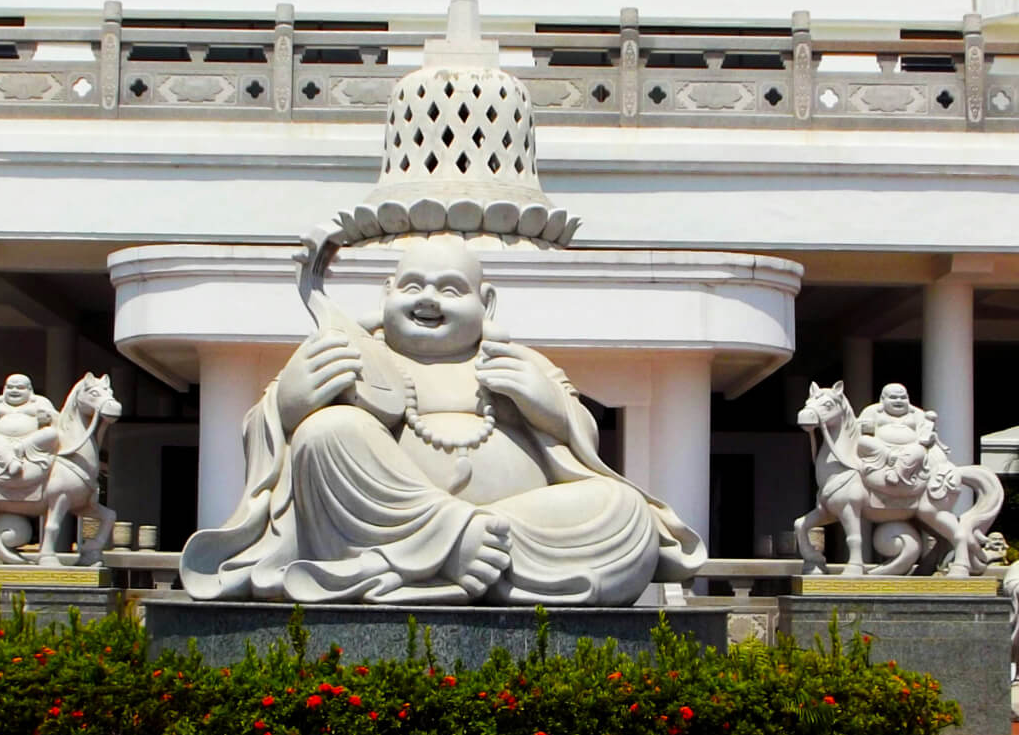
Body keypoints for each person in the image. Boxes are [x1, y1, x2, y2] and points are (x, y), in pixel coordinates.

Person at [180, 237, 705, 604]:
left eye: (450, 289)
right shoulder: (348, 351)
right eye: (412, 286)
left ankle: (421, 564)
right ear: (387, 292)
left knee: (626, 513)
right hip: (382, 525)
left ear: (486, 301)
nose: (428, 299)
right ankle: (451, 547)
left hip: (509, 528)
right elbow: (268, 440)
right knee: (325, 433)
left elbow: (583, 452)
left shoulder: (521, 362)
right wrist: (287, 405)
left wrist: (551, 409)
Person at [0, 374, 60, 492]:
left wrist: (47, 418)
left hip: (31, 442)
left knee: (51, 433)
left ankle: (21, 447)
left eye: (20, 388)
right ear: (4, 389)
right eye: (10, 387)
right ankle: (11, 462)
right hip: (2, 440)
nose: (14, 390)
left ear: (29, 389)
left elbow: (57, 420)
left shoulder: (40, 402)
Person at [855, 383, 955, 497]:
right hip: (881, 449)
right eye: (893, 397)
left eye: (903, 397)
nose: (899, 400)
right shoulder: (872, 411)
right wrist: (863, 426)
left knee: (919, 450)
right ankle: (890, 456)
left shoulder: (917, 413)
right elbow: (856, 430)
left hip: (909, 450)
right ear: (882, 399)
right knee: (863, 441)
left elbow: (924, 433)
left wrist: (929, 436)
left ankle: (896, 471)